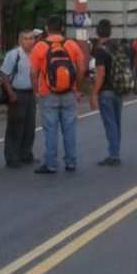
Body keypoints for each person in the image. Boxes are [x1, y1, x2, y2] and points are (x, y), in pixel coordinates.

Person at [30, 15, 86, 174]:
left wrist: (36, 92)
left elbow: (33, 73)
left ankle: (51, 164)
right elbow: (81, 69)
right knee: (69, 129)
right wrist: (76, 88)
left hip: (48, 94)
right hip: (69, 93)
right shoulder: (71, 45)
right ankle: (71, 162)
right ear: (62, 28)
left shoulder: (39, 46)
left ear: (47, 28)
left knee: (50, 130)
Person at [0, 30, 37, 168]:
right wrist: (11, 94)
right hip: (17, 93)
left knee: (30, 125)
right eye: (26, 39)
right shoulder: (14, 54)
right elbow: (4, 75)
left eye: (32, 38)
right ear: (21, 41)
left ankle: (26, 154)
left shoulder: (35, 54)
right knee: (15, 126)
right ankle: (12, 157)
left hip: (31, 93)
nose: (30, 41)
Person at [90, 20, 123, 166]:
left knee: (110, 124)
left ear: (97, 33)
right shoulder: (118, 46)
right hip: (119, 89)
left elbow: (100, 73)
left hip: (106, 91)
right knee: (116, 123)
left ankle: (114, 155)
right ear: (110, 32)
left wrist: (94, 93)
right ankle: (116, 152)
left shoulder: (100, 51)